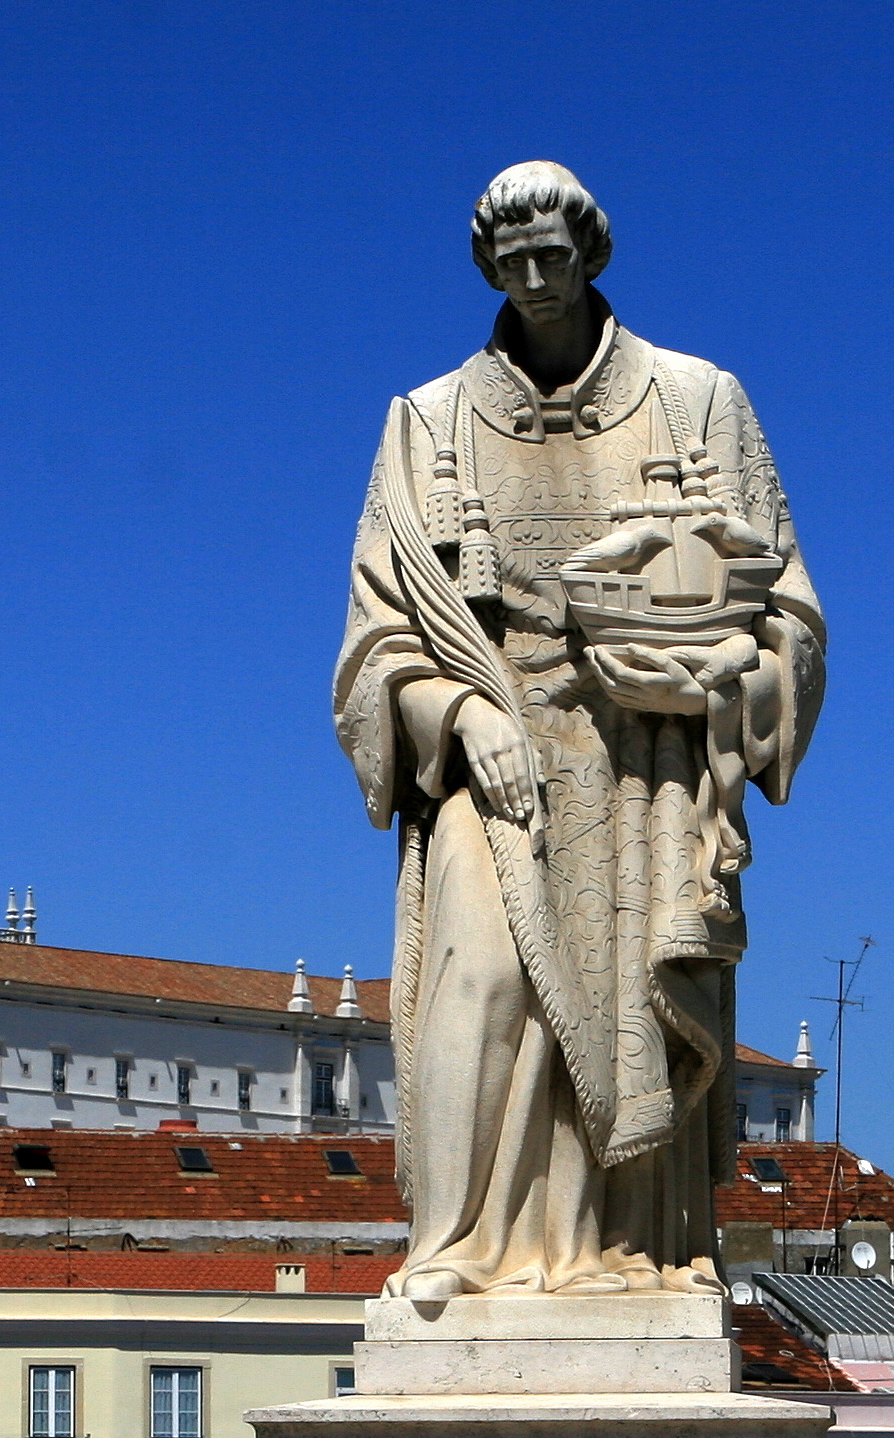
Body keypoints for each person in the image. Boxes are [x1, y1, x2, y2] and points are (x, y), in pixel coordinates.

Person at [333, 162, 824, 1298]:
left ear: (592, 254)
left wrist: (721, 678)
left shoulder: (700, 400)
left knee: (632, 1000)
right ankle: (460, 1246)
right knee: (483, 980)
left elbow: (790, 606)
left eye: (552, 256)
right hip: (490, 749)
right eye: (512, 264)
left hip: (649, 767)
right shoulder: (428, 422)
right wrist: (456, 712)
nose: (535, 279)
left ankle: (633, 1250)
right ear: (486, 269)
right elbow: (374, 639)